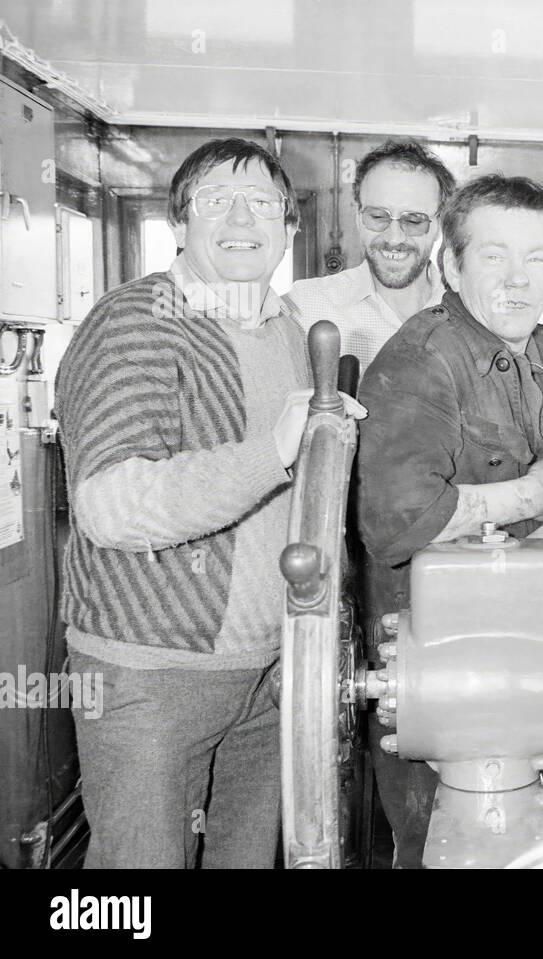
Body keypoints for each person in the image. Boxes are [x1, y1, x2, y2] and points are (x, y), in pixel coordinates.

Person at [56, 137, 360, 868]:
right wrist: (272, 451)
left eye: (260, 201)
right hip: (151, 673)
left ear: (289, 230)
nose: (239, 215)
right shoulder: (135, 322)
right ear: (179, 224)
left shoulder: (289, 330)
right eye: (214, 199)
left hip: (270, 668)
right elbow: (112, 505)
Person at [356, 174, 543, 866]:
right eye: (493, 256)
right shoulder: (419, 360)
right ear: (449, 265)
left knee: (537, 842)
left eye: (536, 258)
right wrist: (527, 492)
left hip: (537, 656)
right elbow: (400, 518)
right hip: (435, 669)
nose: (518, 279)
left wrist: (541, 545)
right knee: (440, 847)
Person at [286, 139, 456, 376]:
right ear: (358, 218)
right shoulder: (303, 307)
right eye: (378, 217)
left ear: (438, 225)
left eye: (414, 220)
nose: (394, 238)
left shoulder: (468, 311)